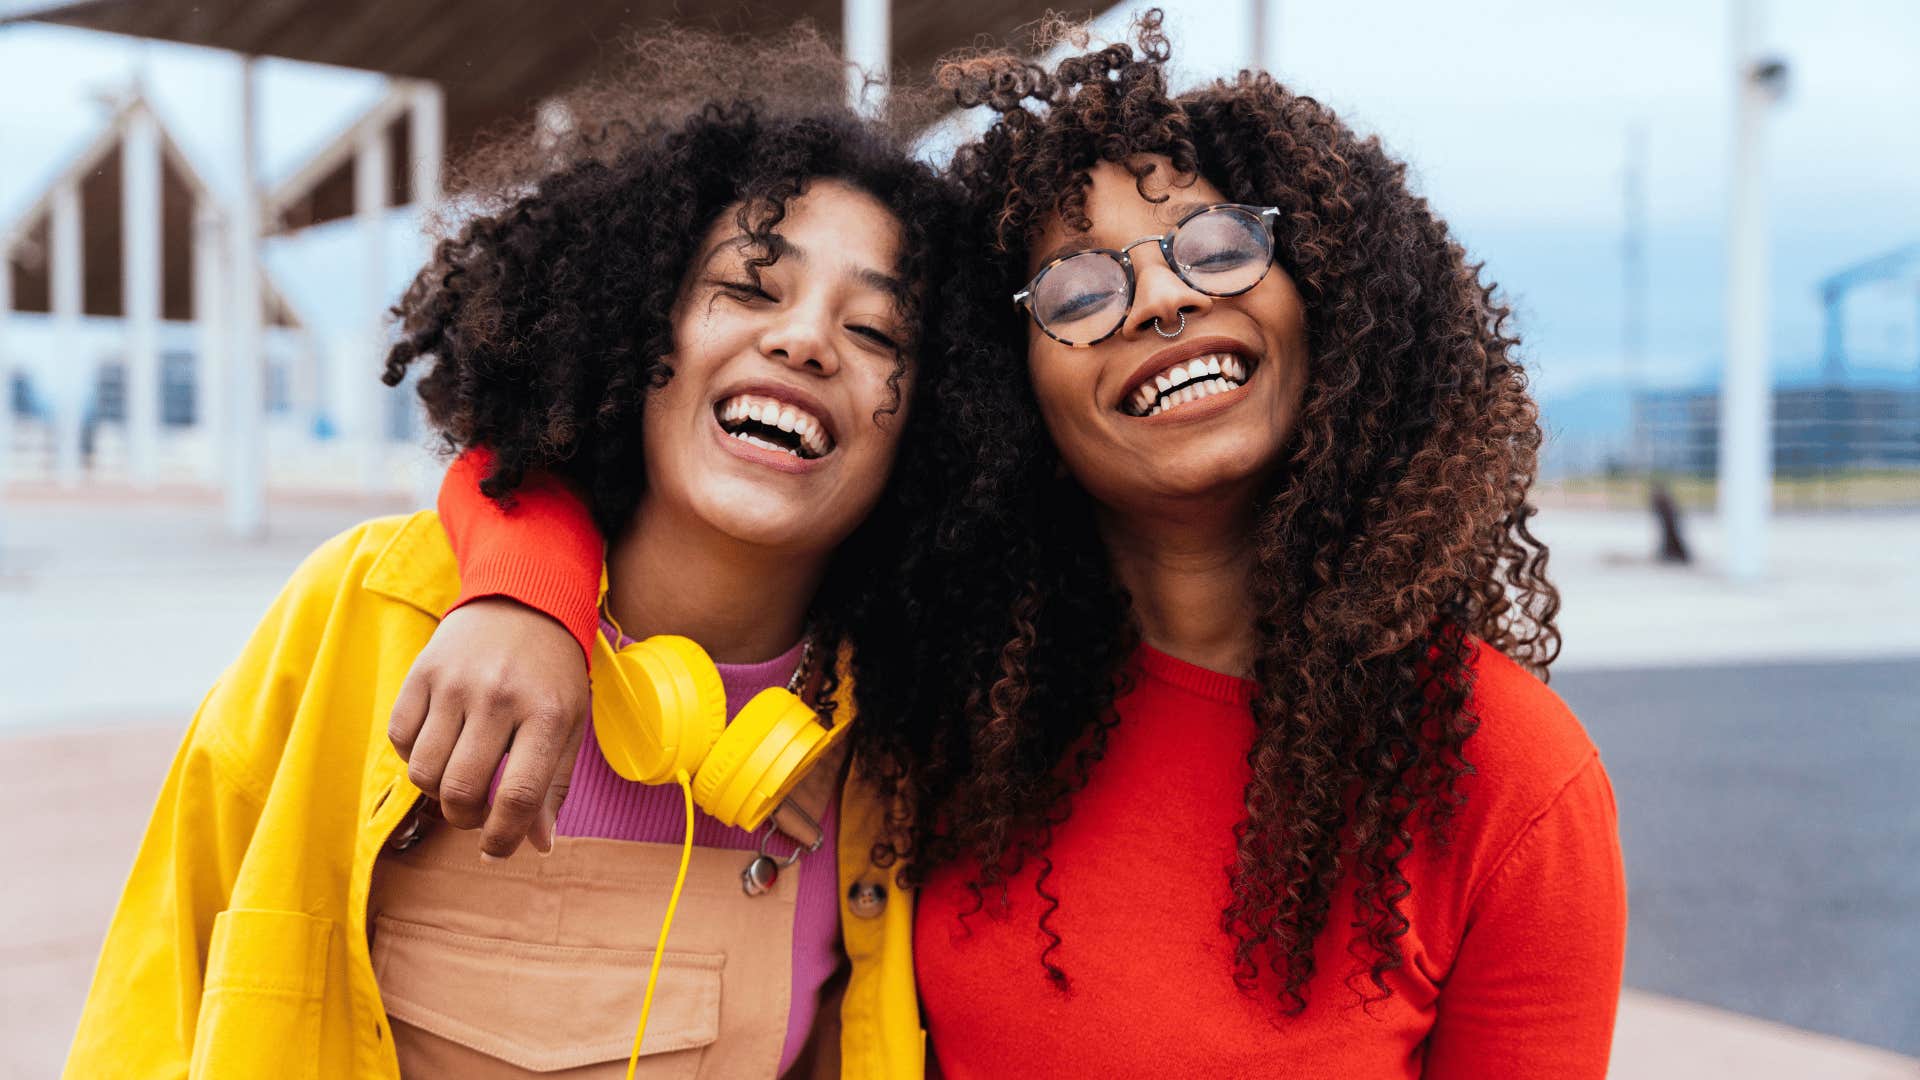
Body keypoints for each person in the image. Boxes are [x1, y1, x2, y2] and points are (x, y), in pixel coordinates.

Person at [398, 14, 1627, 1078]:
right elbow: (573, 470)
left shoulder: (1508, 776)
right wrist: (527, 589)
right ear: (1002, 392)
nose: (1159, 300)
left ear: (1337, 299)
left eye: (1217, 248)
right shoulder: (947, 694)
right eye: (1080, 289)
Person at [64, 28, 953, 1080]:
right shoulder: (369, 613)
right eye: (752, 289)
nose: (806, 341)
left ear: (941, 422)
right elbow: (150, 1016)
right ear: (636, 332)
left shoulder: (901, 743)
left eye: (880, 334)